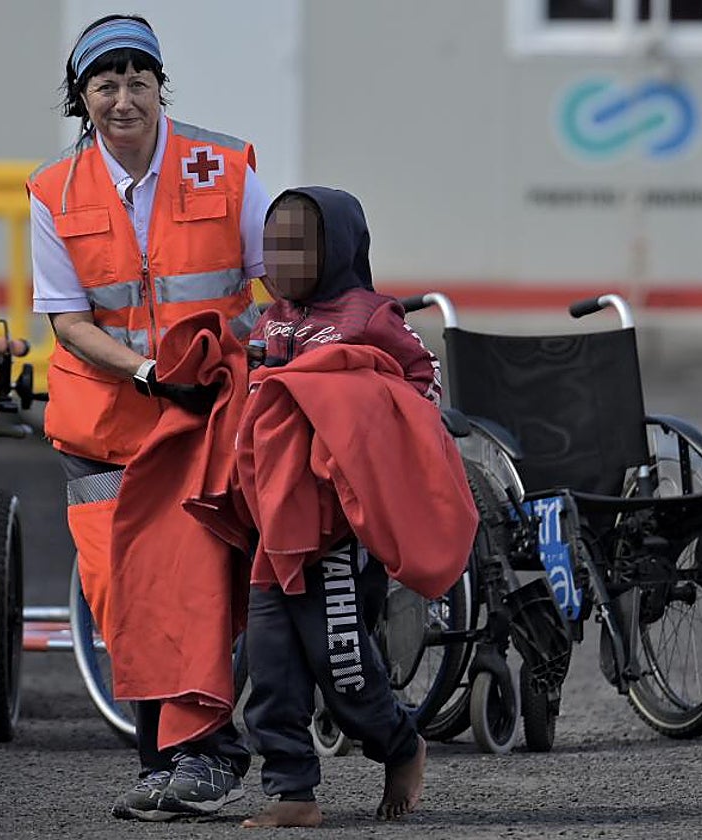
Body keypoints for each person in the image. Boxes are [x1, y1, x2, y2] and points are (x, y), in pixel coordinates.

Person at [27, 14, 265, 822]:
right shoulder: (53, 189)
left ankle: (206, 754)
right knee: (121, 593)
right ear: (81, 96)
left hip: (205, 416)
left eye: (138, 81)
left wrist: (237, 363)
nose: (123, 99)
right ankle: (165, 760)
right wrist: (151, 373)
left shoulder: (225, 163)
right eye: (105, 83)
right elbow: (67, 320)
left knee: (191, 583)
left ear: (161, 87)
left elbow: (280, 277)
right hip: (105, 423)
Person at [239, 187, 455, 828]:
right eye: (272, 246)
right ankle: (293, 790)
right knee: (270, 661)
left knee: (343, 665)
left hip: (335, 526)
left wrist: (370, 423)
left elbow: (423, 384)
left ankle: (400, 743)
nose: (280, 259)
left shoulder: (370, 315)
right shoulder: (271, 317)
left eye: (297, 245)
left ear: (338, 248)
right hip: (276, 521)